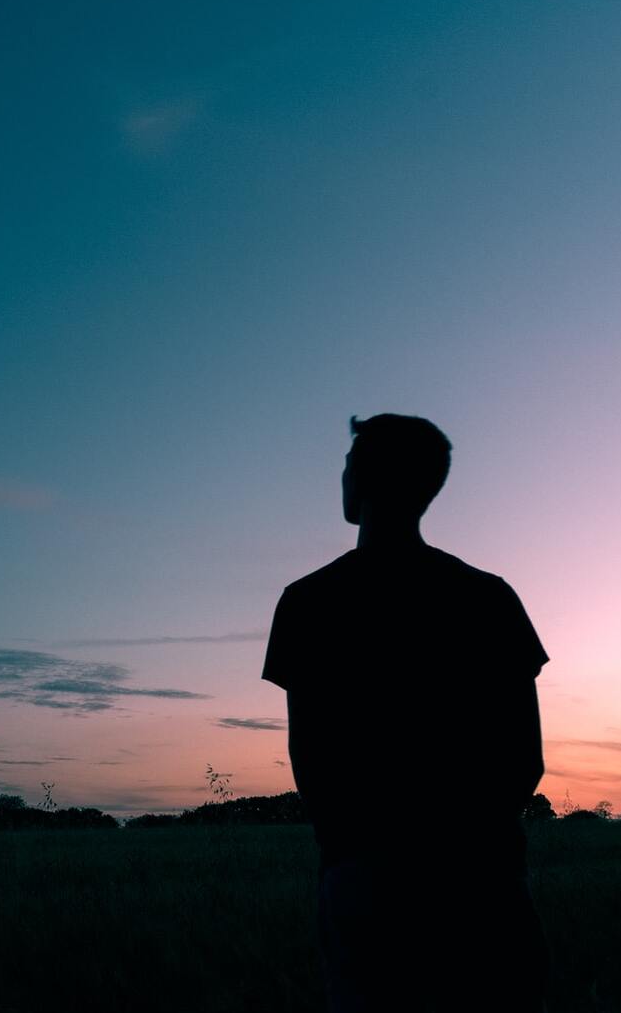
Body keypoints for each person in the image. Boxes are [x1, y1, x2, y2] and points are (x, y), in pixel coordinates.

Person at [262, 414, 550, 1012]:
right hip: (483, 876)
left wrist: (357, 851)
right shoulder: (488, 596)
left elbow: (309, 757)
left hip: (364, 876)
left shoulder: (309, 602)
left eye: (346, 464)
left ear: (360, 478)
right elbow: (525, 756)